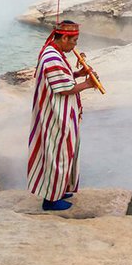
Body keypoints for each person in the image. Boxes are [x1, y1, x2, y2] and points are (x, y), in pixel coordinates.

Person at [26, 20, 97, 211]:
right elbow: (65, 89)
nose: (75, 45)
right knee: (58, 154)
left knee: (66, 151)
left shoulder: (54, 53)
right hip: (55, 115)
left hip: (63, 112)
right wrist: (89, 84)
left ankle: (60, 188)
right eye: (73, 41)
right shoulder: (51, 58)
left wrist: (79, 73)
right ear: (64, 37)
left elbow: (62, 78)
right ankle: (51, 199)